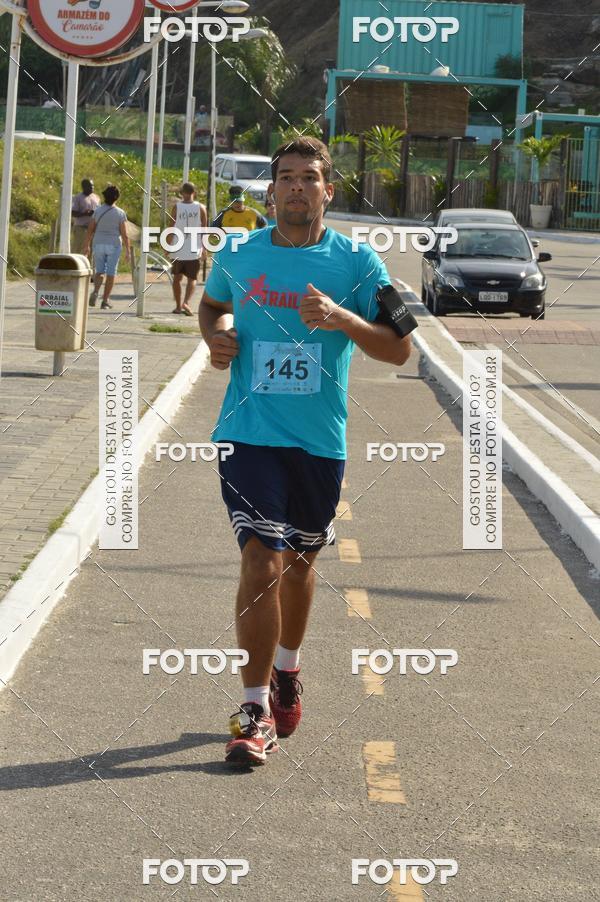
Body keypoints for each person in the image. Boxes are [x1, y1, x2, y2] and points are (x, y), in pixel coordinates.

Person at [198, 137, 412, 767]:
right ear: (271, 192)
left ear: (328, 191)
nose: (295, 187)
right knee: (262, 558)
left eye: (308, 178)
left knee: (299, 563)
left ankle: (288, 670)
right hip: (248, 433)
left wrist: (343, 318)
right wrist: (216, 338)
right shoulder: (238, 253)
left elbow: (399, 350)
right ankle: (254, 709)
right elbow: (212, 307)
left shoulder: (359, 262)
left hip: (319, 441)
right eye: (285, 178)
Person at [83, 185, 129, 310]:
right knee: (111, 273)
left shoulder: (97, 211)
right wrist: (128, 251)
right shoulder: (120, 213)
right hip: (114, 244)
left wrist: (86, 245)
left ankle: (96, 290)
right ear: (117, 198)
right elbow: (124, 234)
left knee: (99, 271)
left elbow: (90, 230)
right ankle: (105, 300)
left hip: (98, 243)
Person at [167, 182, 207, 316]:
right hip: (194, 248)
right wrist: (205, 248)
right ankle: (187, 302)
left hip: (178, 247)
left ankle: (178, 306)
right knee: (192, 278)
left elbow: (171, 228)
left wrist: (167, 245)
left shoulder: (176, 207)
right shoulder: (201, 208)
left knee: (177, 278)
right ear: (194, 192)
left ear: (181, 193)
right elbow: (204, 229)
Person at [71, 178, 99, 254]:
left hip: (93, 229)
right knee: (78, 249)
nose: (92, 187)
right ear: (84, 187)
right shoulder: (77, 198)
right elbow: (73, 213)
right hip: (81, 228)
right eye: (90, 186)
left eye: (93, 185)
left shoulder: (96, 197)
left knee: (90, 251)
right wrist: (85, 214)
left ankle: (88, 265)